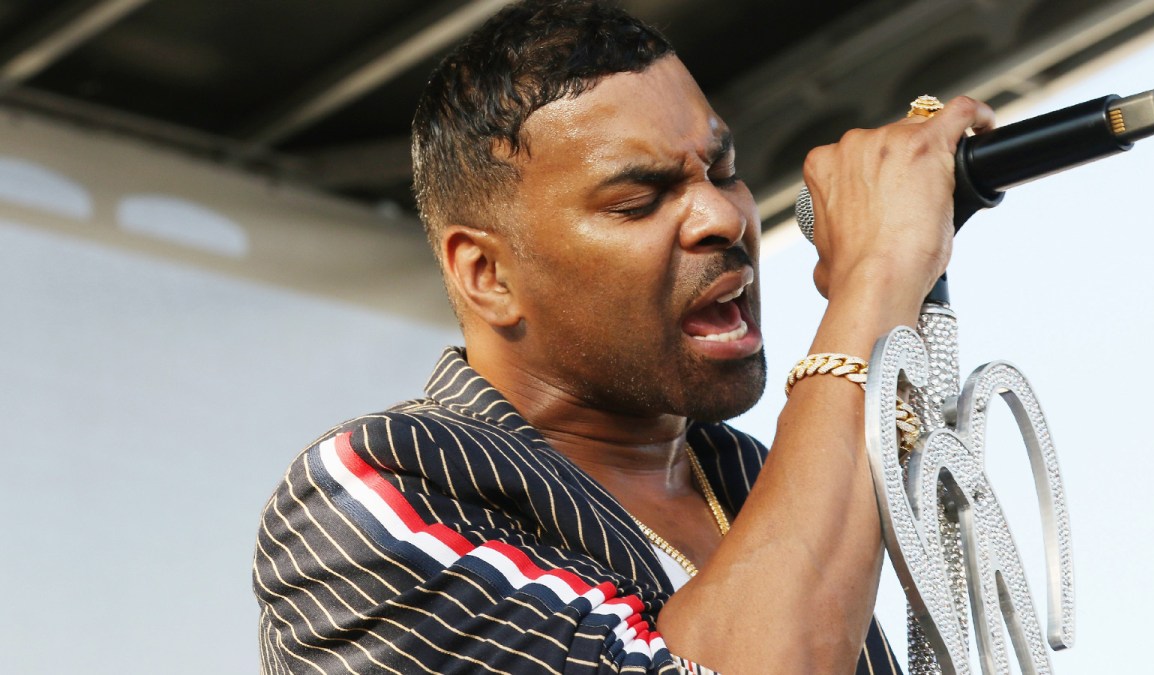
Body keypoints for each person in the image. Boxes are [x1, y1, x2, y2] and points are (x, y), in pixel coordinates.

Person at [253, 1, 994, 673]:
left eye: (724, 170)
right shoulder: (374, 493)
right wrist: (875, 278)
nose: (725, 218)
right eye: (638, 202)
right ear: (487, 273)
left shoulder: (759, 486)